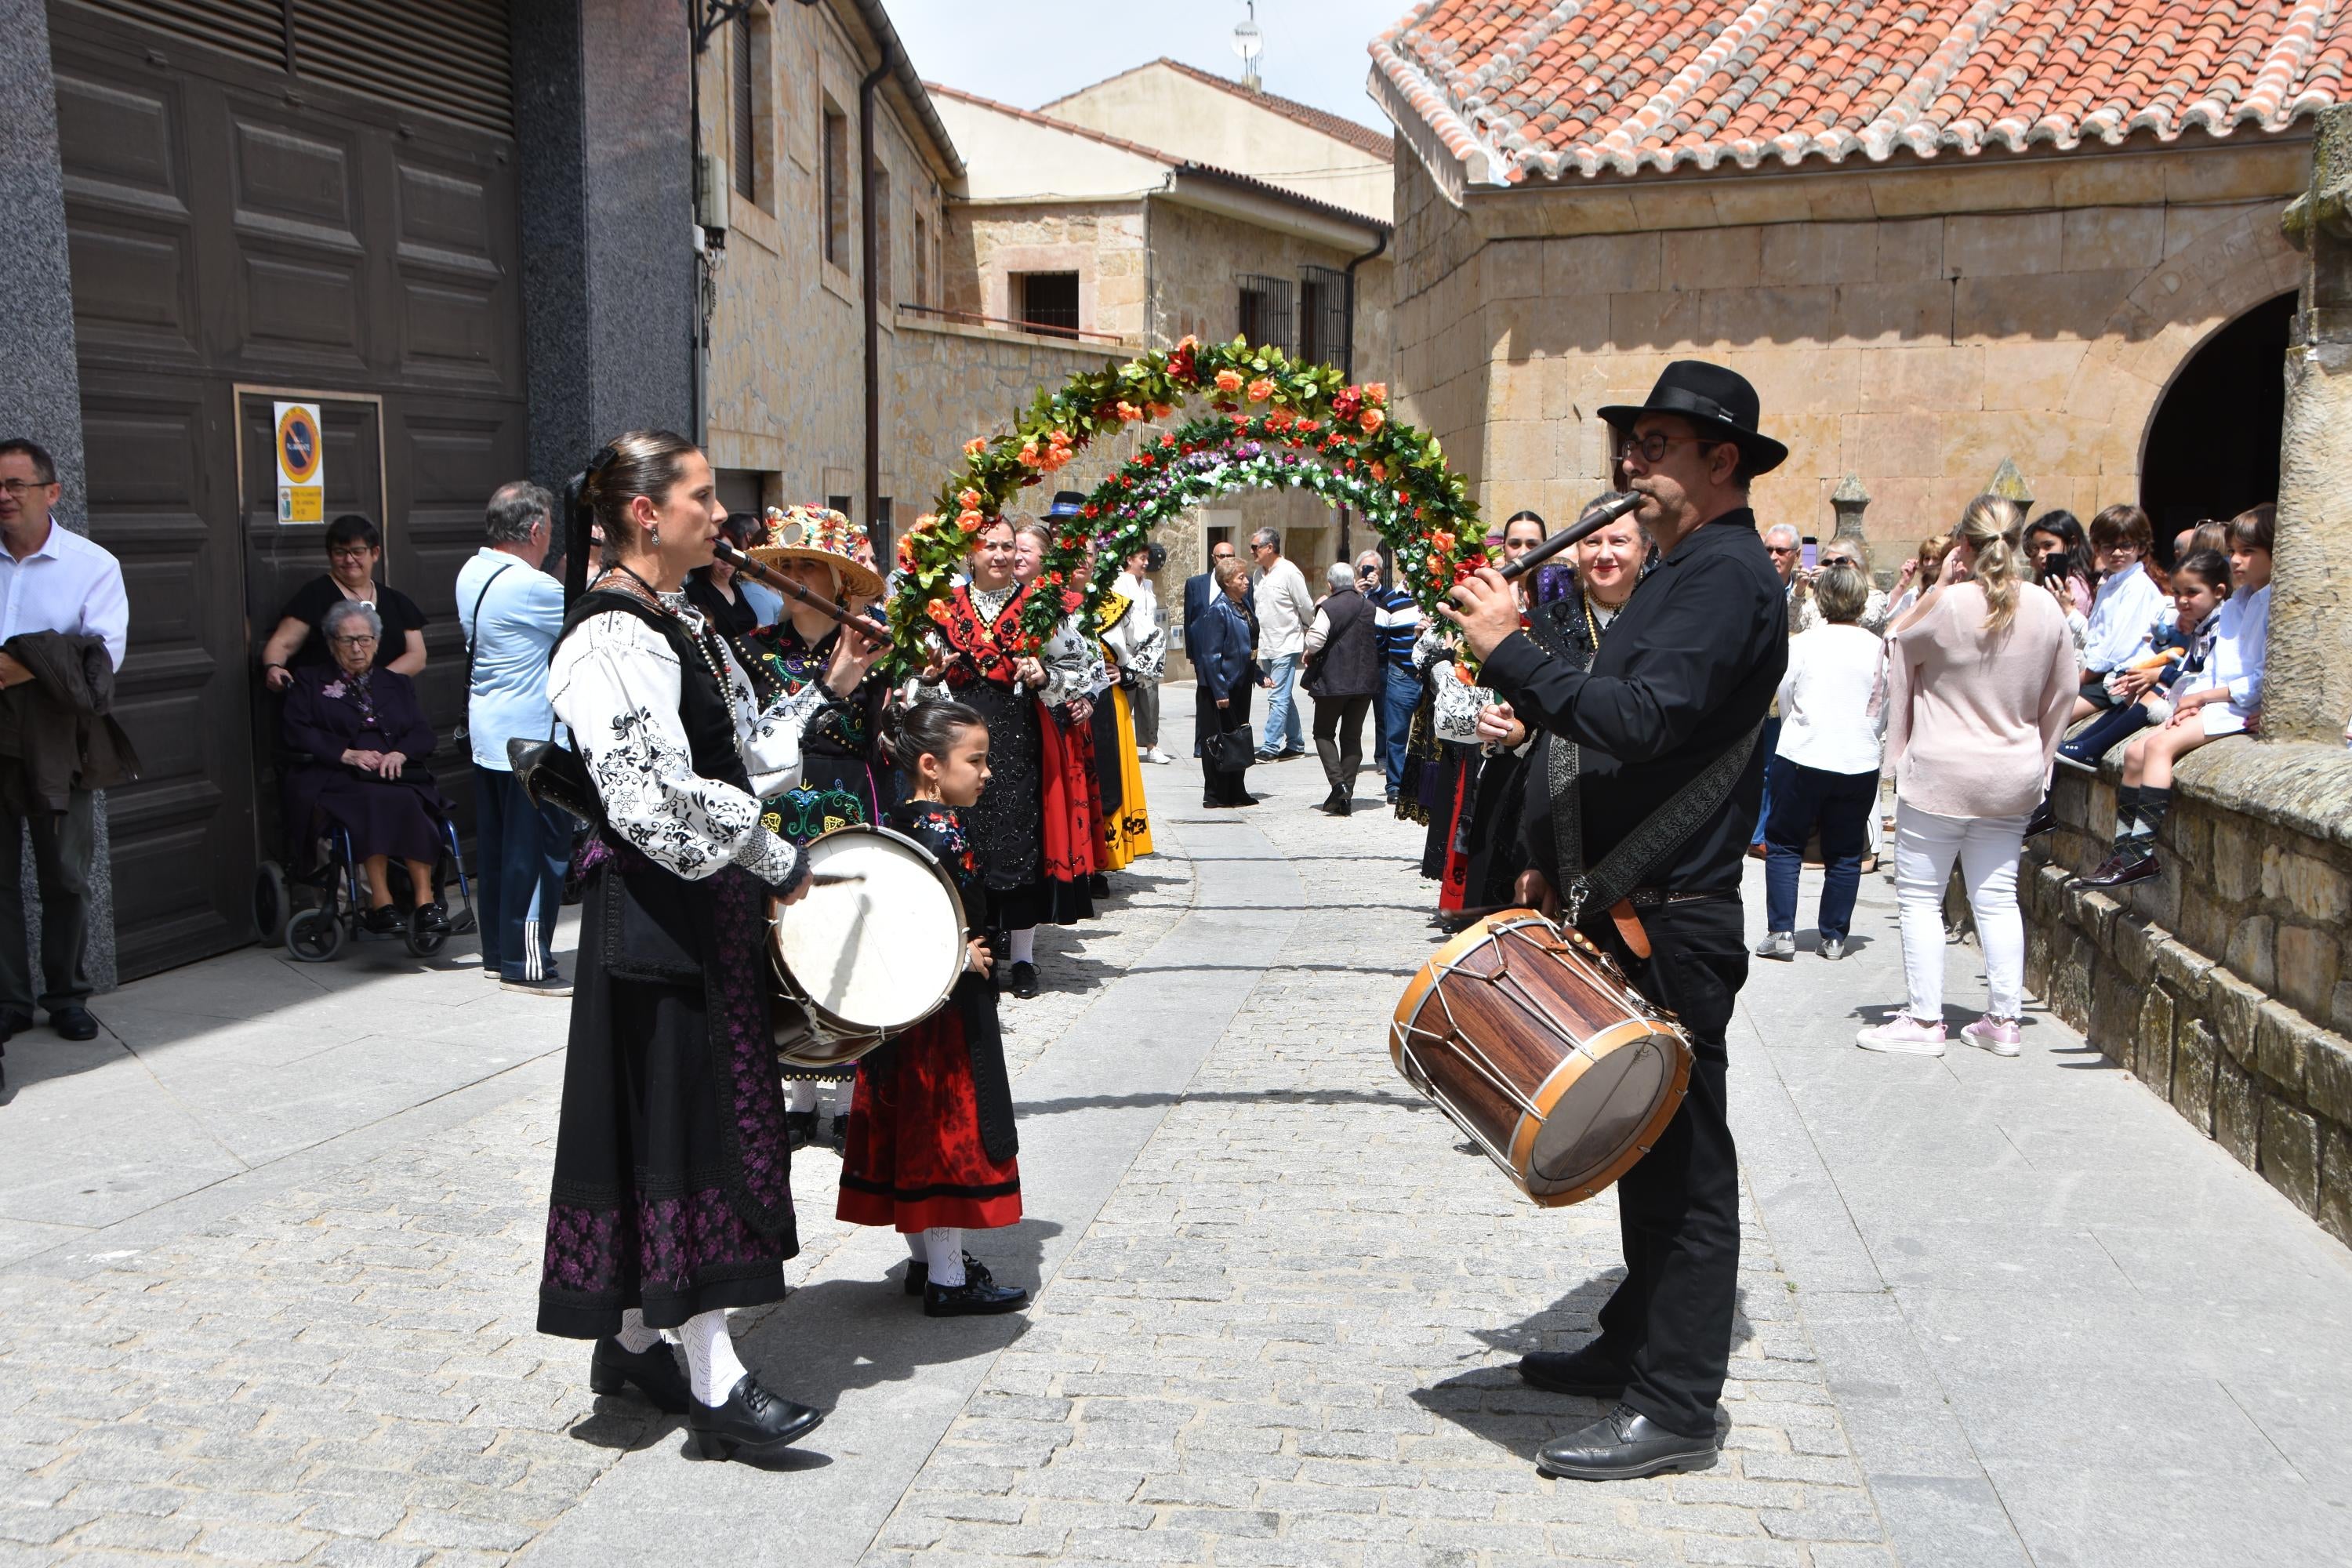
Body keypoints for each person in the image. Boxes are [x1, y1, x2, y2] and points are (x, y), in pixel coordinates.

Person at [1447, 359, 1789, 1482]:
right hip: (1627, 905)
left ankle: (1678, 1404)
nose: (1627, 466)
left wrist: (1511, 647)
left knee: (1687, 1168)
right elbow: (1628, 750)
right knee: (1646, 1152)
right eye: (1625, 447)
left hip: (1677, 923)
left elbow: (1638, 721)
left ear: (1721, 461)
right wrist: (1555, 860)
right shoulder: (1683, 571)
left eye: (1652, 446)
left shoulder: (1726, 577)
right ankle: (1635, 1340)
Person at [536, 429, 882, 1463]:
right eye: (701, 495)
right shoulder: (607, 636)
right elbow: (648, 798)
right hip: (658, 922)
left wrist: (832, 685)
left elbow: (733, 760)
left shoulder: (674, 620)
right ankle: (717, 1387)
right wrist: (772, 860)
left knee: (678, 1130)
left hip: (696, 917)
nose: (720, 515)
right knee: (687, 1136)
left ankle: (638, 1341)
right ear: (647, 513)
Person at [1860, 496, 2077, 1058]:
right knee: (1998, 897)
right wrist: (2041, 753)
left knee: (1921, 899)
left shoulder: (1950, 605)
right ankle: (2004, 1020)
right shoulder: (2046, 608)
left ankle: (1925, 1018)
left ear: (1966, 544)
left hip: (1941, 772)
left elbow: (1895, 642)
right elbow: (2065, 691)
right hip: (2012, 773)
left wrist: (1897, 754)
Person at [837, 699, 1030, 1316]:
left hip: (902, 1007)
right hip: (944, 1011)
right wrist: (958, 952)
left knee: (911, 1127)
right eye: (974, 760)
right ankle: (948, 1278)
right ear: (930, 765)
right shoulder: (943, 831)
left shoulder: (895, 821)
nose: (986, 772)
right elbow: (920, 915)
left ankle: (928, 1263)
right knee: (945, 1130)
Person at [739, 503, 891, 1146]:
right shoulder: (749, 652)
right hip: (777, 804)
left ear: (838, 583)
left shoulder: (871, 649)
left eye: (812, 566)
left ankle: (855, 1091)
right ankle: (796, 1094)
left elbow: (891, 734)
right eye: (789, 565)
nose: (797, 575)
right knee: (780, 941)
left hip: (847, 799)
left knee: (846, 938)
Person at [915, 517, 1094, 1000]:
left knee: (1018, 842)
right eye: (988, 546)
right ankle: (975, 946)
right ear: (970, 554)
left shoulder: (1040, 608)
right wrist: (932, 677)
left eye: (1007, 546)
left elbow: (1086, 668)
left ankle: (1024, 958)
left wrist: (1043, 677)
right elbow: (917, 688)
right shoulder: (943, 610)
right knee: (967, 840)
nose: (999, 555)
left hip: (1016, 742)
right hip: (957, 744)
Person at [0, 437, 131, 1047]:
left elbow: (101, 663)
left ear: (51, 492)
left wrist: (25, 663)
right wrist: (46, 652)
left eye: (14, 485)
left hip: (62, 741)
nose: (3, 497)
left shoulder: (91, 565)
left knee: (66, 878)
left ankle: (67, 996)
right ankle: (10, 1000)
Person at [1465, 498, 1644, 913]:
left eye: (1619, 540)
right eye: (1591, 541)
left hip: (1635, 800)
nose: (1603, 554)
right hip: (1553, 801)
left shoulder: (1663, 617)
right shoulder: (1548, 622)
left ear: (1645, 548)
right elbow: (1524, 721)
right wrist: (1506, 726)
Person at [2078, 508, 2272, 888]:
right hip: (2214, 700)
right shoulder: (2236, 603)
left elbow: (2264, 675)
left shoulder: (2274, 603)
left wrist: (2205, 699)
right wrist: (2194, 698)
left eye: (2248, 551)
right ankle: (2123, 851)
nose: (2235, 560)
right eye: (2233, 550)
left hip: (2237, 705)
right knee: (2135, 753)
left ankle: (2141, 855)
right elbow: (2215, 664)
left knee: (2160, 747)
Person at [457, 481, 574, 995]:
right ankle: (527, 967)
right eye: (549, 529)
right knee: (537, 855)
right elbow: (589, 622)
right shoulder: (533, 588)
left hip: (490, 733)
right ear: (535, 529)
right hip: (533, 742)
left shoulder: (474, 571)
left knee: (500, 851)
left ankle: (498, 953)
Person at [280, 601, 456, 937]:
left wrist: (401, 754)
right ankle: (382, 903)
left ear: (377, 641)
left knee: (410, 802)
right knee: (373, 801)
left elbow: (422, 733)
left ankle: (425, 902)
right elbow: (297, 730)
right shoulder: (310, 681)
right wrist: (345, 753)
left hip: (393, 773)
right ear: (332, 643)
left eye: (365, 639)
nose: (357, 648)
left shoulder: (396, 683)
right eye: (347, 641)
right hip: (338, 777)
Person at [1754, 562, 1886, 962]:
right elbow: (1883, 705)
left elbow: (1788, 693)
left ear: (1821, 598)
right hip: (1858, 755)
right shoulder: (1878, 647)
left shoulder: (1804, 644)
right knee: (1845, 850)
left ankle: (1781, 931)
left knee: (1785, 843)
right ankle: (1833, 936)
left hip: (1804, 752)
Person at [2054, 549, 2227, 773]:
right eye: (2177, 593)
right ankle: (2086, 742)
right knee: (2139, 686)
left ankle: (2093, 747)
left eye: (2192, 592)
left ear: (2218, 592)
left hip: (2203, 697)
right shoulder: (2200, 624)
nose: (2182, 601)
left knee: (2153, 690)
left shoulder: (2219, 627)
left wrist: (2161, 674)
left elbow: (2202, 676)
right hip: (2182, 687)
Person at [259, 514, 428, 689]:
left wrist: (373, 684)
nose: (349, 559)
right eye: (340, 552)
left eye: (357, 552)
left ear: (375, 553)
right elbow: (282, 644)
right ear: (329, 555)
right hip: (329, 704)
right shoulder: (314, 595)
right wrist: (273, 667)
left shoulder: (396, 600)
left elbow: (417, 655)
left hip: (387, 700)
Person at [2071, 504, 2166, 721]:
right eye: (2108, 546)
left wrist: (2081, 678)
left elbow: (2115, 646)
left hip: (2117, 676)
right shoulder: (2110, 584)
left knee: (2053, 718)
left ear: (2140, 548)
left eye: (2125, 546)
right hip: (2098, 672)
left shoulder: (2137, 586)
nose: (2116, 553)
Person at [1301, 560, 1379, 815]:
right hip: (1364, 683)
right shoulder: (1368, 606)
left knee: (1323, 732)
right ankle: (1346, 797)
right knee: (1351, 737)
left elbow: (1315, 642)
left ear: (1331, 584)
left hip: (1334, 682)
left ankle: (1339, 784)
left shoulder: (1329, 606)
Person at [1092, 568, 1156, 868]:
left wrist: (1129, 672)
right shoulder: (1046, 605)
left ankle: (1107, 857)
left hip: (1108, 703)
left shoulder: (1113, 604)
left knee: (1107, 775)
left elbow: (1154, 639)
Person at [1194, 556, 1265, 808]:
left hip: (1241, 683)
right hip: (1222, 686)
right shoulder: (1218, 610)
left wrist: (1257, 674)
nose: (1246, 581)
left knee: (1238, 736)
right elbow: (1210, 655)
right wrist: (1219, 690)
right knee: (1217, 739)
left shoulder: (1242, 605)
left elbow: (1247, 646)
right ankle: (1214, 793)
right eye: (1241, 577)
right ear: (1227, 581)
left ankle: (1237, 789)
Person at [1751, 521, 1802, 855]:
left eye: (1780, 551)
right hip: (1753, 690)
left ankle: (1760, 834)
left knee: (1773, 766)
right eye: (1768, 549)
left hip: (1789, 693)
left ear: (1795, 556)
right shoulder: (1749, 586)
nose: (1773, 556)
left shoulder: (1805, 598)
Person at [1247, 528, 1315, 761]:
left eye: (1255, 547)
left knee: (1277, 696)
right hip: (1265, 644)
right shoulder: (1258, 575)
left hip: (1286, 643)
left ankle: (1271, 745)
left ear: (1270, 548)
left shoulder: (1289, 572)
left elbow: (1305, 605)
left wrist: (1311, 632)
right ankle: (1295, 744)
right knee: (1283, 695)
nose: (1252, 551)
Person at [1366, 550, 1422, 804]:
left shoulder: (1436, 600)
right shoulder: (1389, 601)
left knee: (1431, 732)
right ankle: (1396, 785)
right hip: (1401, 673)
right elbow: (1378, 639)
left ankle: (1425, 783)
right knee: (1397, 732)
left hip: (1432, 675)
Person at [1112, 543, 1172, 764]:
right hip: (1128, 650)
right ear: (1129, 559)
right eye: (1142, 558)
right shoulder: (1120, 584)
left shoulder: (1147, 585)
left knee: (1150, 699)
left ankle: (1151, 745)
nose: (1147, 563)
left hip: (1150, 652)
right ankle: (1120, 746)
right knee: (1126, 698)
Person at [1790, 536, 1890, 636]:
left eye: (1841, 562)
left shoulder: (1875, 598)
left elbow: (1865, 620)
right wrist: (1799, 589)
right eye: (1827, 563)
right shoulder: (1818, 600)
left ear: (1857, 564)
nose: (1833, 567)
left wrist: (1835, 579)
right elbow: (1792, 624)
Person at [2025, 510, 2097, 622]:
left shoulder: (2075, 587)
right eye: (2037, 548)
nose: (2040, 554)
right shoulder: (2048, 579)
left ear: (2073, 543)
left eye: (2048, 546)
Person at [1886, 533, 1954, 624]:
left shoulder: (1953, 590)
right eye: (1927, 559)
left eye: (1936, 558)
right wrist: (1903, 582)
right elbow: (1890, 615)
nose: (1930, 564)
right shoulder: (1914, 594)